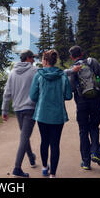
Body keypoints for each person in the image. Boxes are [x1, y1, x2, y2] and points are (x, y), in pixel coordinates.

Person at [65, 46, 100, 170]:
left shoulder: (73, 69)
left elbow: (72, 88)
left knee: (83, 130)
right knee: (94, 126)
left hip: (81, 102)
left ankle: (85, 162)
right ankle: (95, 152)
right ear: (82, 53)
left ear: (72, 57)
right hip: (96, 100)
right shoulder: (92, 62)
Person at [29, 50, 73, 178]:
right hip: (58, 115)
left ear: (46, 61)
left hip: (42, 114)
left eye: (42, 59)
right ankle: (53, 174)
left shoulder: (39, 75)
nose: (41, 61)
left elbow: (32, 96)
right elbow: (69, 96)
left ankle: (44, 168)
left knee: (44, 141)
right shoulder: (63, 76)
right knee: (55, 144)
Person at [1, 50, 39, 178]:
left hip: (17, 109)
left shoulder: (12, 72)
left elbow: (7, 93)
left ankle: (31, 158)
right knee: (24, 137)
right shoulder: (34, 71)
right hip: (30, 108)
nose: (34, 60)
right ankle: (17, 168)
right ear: (28, 58)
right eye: (32, 58)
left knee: (24, 134)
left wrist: (4, 111)